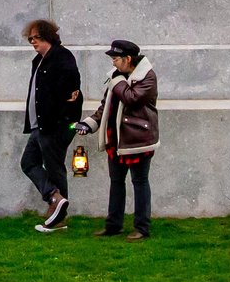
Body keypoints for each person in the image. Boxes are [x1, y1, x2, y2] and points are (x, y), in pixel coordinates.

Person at [76, 39, 159, 241]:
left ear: (128, 59)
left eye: (115, 59)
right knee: (116, 182)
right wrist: (89, 124)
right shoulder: (117, 77)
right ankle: (113, 225)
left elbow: (132, 98)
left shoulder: (147, 77)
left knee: (140, 182)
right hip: (117, 139)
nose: (112, 63)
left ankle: (142, 228)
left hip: (138, 140)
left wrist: (118, 81)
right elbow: (106, 106)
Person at [20, 19, 83, 234]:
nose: (32, 42)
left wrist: (62, 122)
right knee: (28, 163)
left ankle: (58, 218)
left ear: (47, 36)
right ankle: (55, 198)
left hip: (54, 126)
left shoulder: (62, 57)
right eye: (30, 39)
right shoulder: (38, 60)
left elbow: (72, 93)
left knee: (55, 168)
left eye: (35, 38)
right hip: (39, 126)